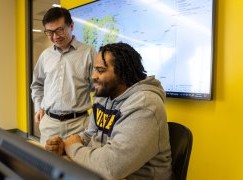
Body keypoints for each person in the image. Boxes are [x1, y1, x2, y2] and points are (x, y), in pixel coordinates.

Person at [45, 42, 172, 179]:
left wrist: (72, 147)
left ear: (123, 74)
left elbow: (110, 167)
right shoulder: (104, 96)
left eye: (100, 70)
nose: (93, 76)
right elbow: (90, 135)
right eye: (94, 69)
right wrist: (64, 145)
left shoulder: (145, 105)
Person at [31, 7, 97, 144]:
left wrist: (94, 120)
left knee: (75, 165)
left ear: (71, 25)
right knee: (46, 164)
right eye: (49, 32)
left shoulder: (88, 53)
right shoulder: (45, 56)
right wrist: (38, 107)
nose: (55, 36)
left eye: (59, 30)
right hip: (49, 125)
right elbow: (37, 84)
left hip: (79, 126)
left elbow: (100, 90)